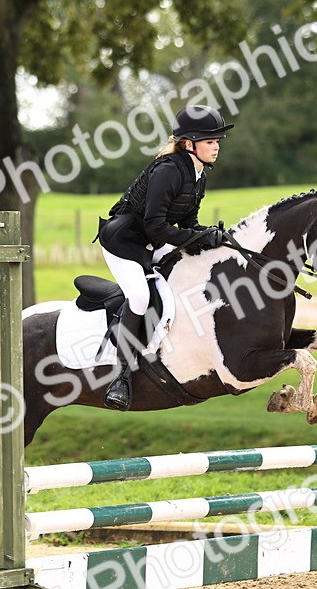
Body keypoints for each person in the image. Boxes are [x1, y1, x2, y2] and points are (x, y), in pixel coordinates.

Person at [94, 104, 234, 411]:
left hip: (152, 241)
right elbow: (154, 225)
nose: (216, 146)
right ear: (189, 144)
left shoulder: (198, 174)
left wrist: (210, 237)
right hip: (125, 242)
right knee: (141, 297)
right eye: (210, 141)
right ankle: (120, 377)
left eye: (217, 140)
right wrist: (197, 237)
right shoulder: (169, 170)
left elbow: (187, 224)